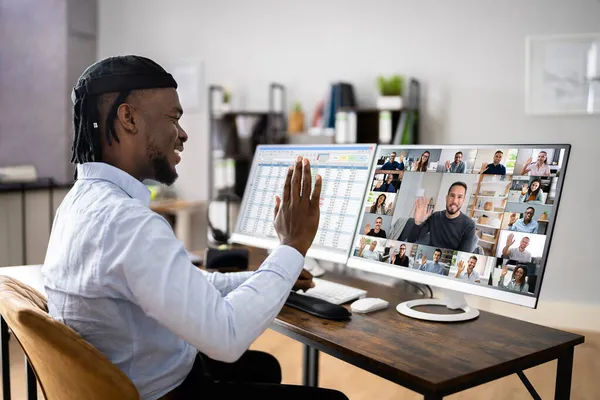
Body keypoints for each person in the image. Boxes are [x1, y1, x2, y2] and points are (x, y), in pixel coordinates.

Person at [41, 56, 348, 400]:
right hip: (163, 392)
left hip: (130, 379)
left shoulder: (78, 204)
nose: (183, 134)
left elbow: (186, 284)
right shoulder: (130, 224)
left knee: (262, 367)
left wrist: (269, 275)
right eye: (174, 117)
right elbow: (227, 337)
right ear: (129, 118)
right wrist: (292, 246)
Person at [404, 182, 477, 253]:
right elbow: (411, 240)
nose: (454, 201)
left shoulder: (469, 225)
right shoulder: (435, 216)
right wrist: (417, 223)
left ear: (463, 201)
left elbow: (461, 256)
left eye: (459, 197)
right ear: (446, 198)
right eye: (452, 195)